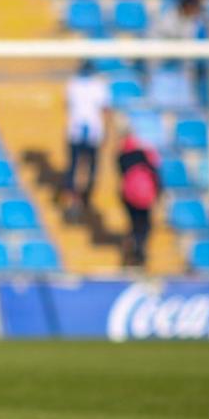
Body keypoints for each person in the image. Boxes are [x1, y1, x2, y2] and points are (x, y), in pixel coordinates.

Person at [64, 60, 110, 212]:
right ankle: (78, 199)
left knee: (80, 167)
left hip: (83, 131)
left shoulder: (73, 84)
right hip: (85, 131)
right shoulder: (97, 85)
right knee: (83, 167)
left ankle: (80, 198)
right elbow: (105, 110)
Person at [118, 129, 161, 266]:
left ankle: (134, 248)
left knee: (134, 224)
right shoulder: (145, 154)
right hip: (145, 196)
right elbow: (155, 173)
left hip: (129, 195)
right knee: (145, 225)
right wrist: (158, 193)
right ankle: (139, 250)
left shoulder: (122, 157)